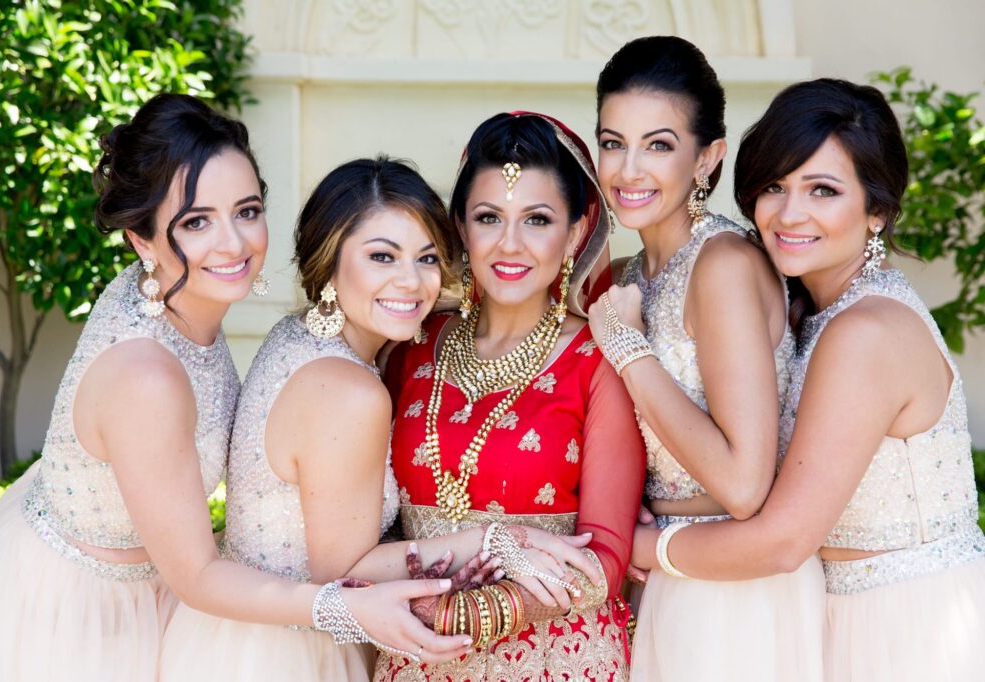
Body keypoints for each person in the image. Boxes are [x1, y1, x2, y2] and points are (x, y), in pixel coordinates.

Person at [0, 95, 467, 682]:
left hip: (160, 584)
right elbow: (198, 575)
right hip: (78, 611)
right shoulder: (145, 377)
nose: (233, 243)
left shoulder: (179, 296)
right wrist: (344, 609)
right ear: (142, 241)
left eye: (246, 211)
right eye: (197, 222)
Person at [626, 78, 985, 682]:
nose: (790, 214)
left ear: (878, 210)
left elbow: (782, 541)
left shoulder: (865, 332)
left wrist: (632, 547)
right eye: (774, 187)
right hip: (838, 616)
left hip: (906, 630)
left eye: (823, 190)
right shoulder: (818, 312)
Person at [160, 155, 488, 680]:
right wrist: (497, 541)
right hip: (292, 654)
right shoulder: (350, 393)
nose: (412, 282)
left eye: (427, 259)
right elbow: (344, 578)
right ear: (331, 263)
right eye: (382, 257)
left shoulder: (303, 332)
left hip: (230, 637)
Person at [375, 111, 646, 682]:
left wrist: (481, 609)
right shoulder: (411, 346)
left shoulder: (598, 360)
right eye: (489, 218)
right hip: (418, 650)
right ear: (460, 227)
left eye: (538, 220)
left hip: (554, 655)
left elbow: (607, 555)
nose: (510, 244)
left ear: (575, 231)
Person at [587, 36, 824, 682]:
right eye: (613, 142)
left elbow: (745, 485)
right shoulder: (633, 272)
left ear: (707, 157)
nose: (628, 170)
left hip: (733, 596)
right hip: (665, 578)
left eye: (658, 145)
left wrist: (629, 350)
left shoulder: (721, 264)